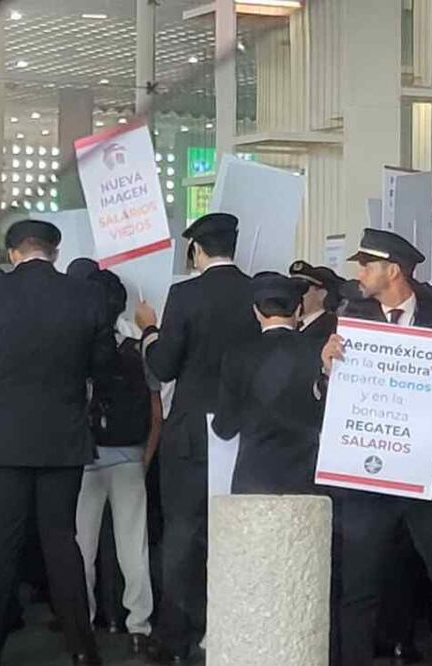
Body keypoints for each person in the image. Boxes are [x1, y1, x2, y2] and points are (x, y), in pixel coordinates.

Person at [0, 219, 113, 666]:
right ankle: (83, 649)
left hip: (1, 440)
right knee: (61, 541)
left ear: (11, 254)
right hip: (63, 438)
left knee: (3, 544)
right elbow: (103, 366)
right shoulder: (87, 295)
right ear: (55, 253)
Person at [320, 229, 432, 666]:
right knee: (360, 588)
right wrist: (326, 370)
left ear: (393, 270)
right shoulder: (351, 317)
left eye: (367, 265)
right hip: (369, 479)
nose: (359, 273)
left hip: (427, 475)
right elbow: (328, 397)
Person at [134, 212, 259, 664]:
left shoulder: (185, 293)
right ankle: (231, 627)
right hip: (243, 429)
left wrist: (148, 330)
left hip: (189, 433)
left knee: (183, 536)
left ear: (196, 251)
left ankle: (176, 637)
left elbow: (165, 364)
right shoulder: (256, 292)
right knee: (237, 534)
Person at [75, 269, 159, 656]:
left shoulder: (77, 347)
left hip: (84, 459)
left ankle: (83, 621)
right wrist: (145, 454)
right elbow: (156, 407)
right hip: (129, 457)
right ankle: (138, 625)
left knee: (80, 548)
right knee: (133, 546)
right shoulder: (135, 347)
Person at [212, 272, 321, 494]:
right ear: (299, 310)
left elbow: (225, 427)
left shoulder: (237, 355)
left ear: (256, 312)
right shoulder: (318, 351)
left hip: (254, 475)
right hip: (307, 478)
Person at [289, 260, 343, 344]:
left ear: (322, 294)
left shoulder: (330, 328)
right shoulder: (291, 324)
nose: (295, 294)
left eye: (302, 289)